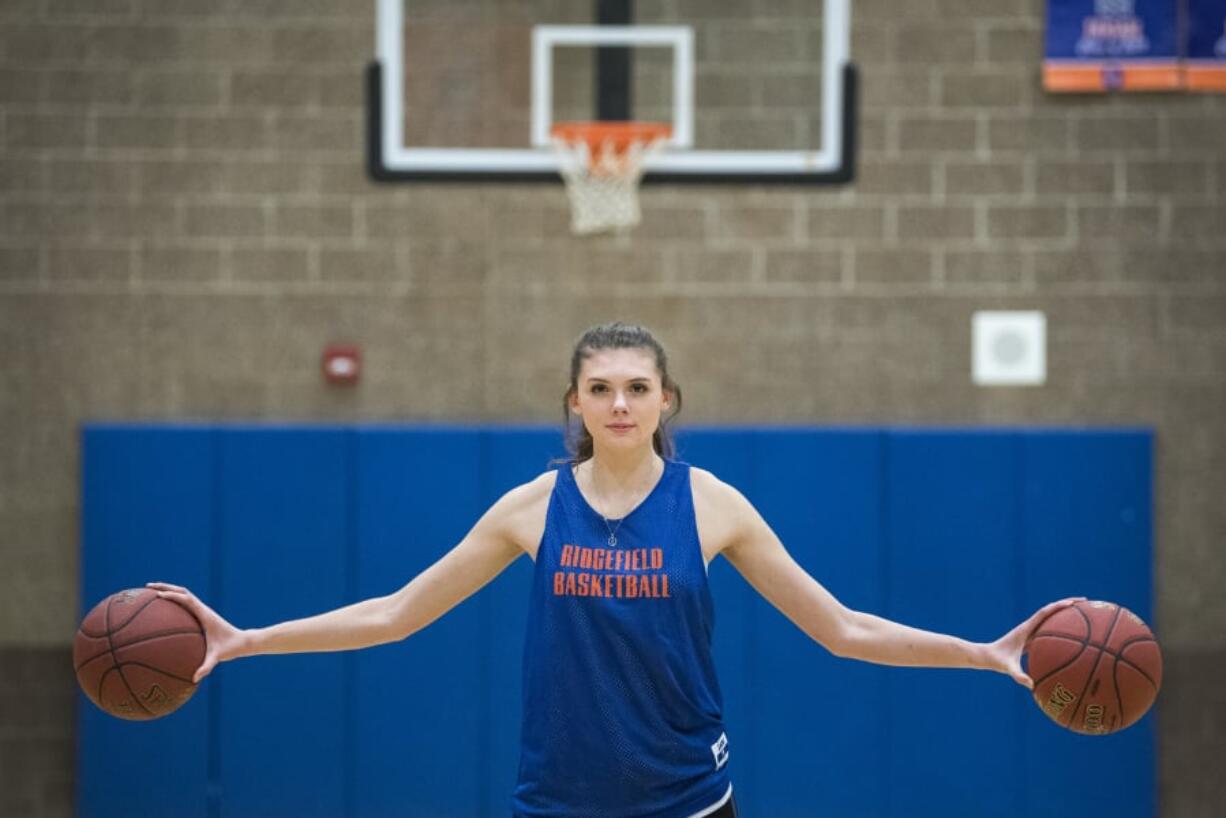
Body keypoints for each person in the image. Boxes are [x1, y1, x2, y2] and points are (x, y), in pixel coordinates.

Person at [150, 321, 1080, 818]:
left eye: (638, 387)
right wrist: (243, 641)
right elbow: (397, 613)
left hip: (687, 801)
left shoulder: (714, 505)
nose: (621, 401)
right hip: (559, 800)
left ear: (666, 399)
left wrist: (985, 652)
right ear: (575, 402)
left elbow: (844, 630)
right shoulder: (529, 509)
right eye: (601, 387)